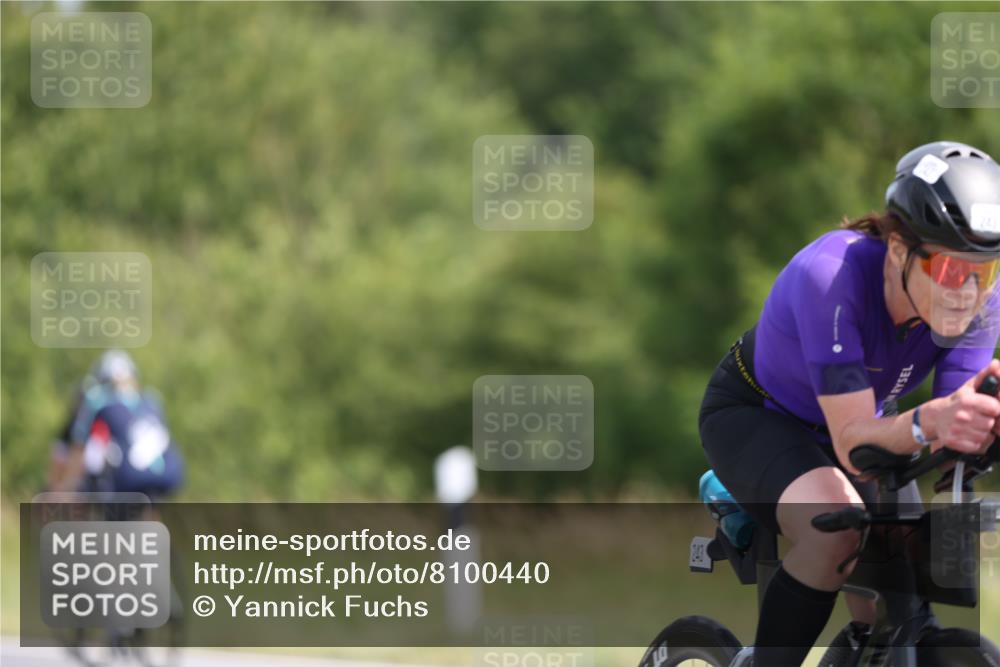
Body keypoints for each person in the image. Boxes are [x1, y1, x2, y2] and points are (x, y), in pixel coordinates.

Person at [698, 141, 1000, 666]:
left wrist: (984, 427)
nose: (967, 293)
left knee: (896, 595)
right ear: (900, 250)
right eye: (951, 270)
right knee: (835, 532)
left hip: (868, 420)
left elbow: (951, 435)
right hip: (759, 416)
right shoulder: (830, 276)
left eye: (985, 272)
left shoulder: (982, 301)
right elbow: (853, 439)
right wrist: (935, 420)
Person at [51, 350, 184, 498]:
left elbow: (79, 449)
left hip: (127, 480)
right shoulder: (151, 400)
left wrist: (62, 491)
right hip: (168, 476)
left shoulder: (99, 402)